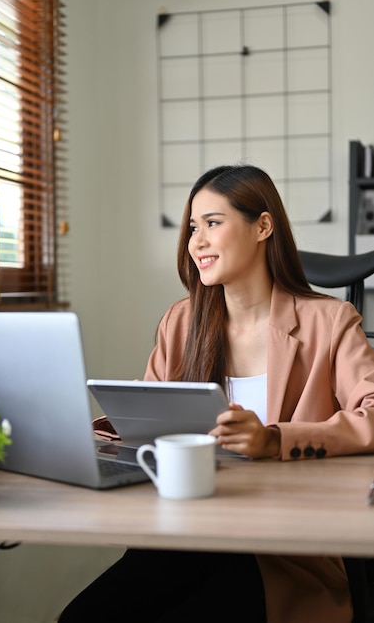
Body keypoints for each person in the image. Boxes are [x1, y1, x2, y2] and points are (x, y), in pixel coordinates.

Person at [58, 164, 374, 623]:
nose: (196, 242)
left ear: (263, 226)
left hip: (280, 550)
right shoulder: (180, 322)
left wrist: (274, 439)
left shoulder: (331, 321)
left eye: (212, 223)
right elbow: (147, 427)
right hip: (186, 535)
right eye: (192, 227)